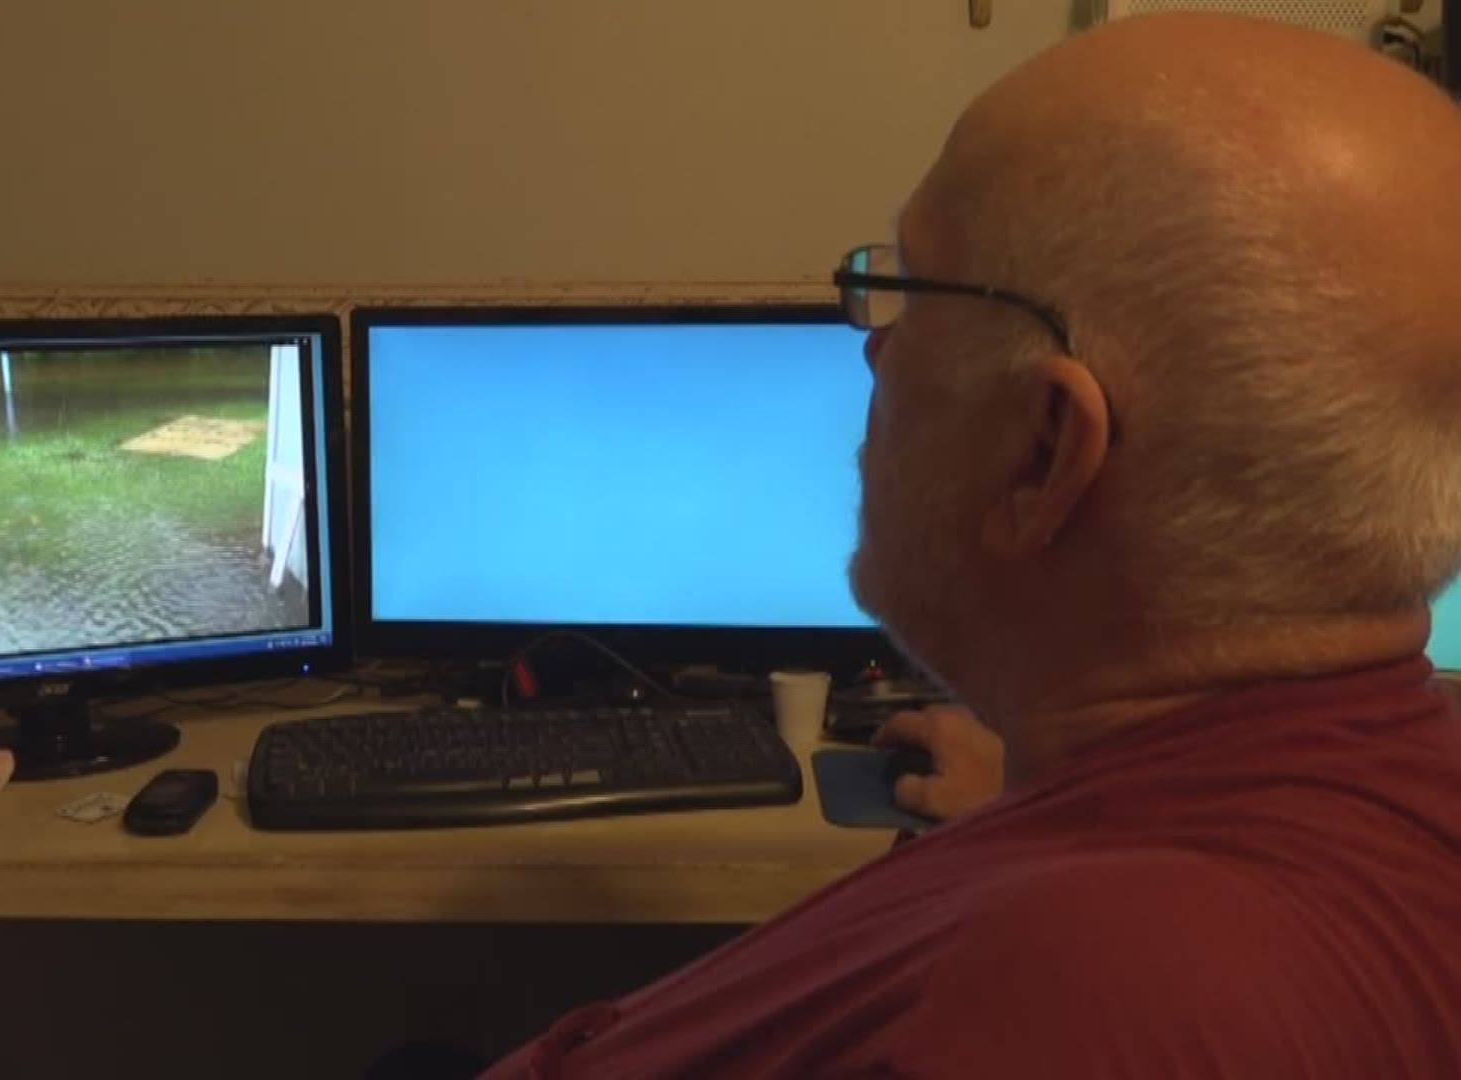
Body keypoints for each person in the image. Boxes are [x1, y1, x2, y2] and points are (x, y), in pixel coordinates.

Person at [482, 12, 1461, 1078]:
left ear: (1044, 453)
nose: (877, 346)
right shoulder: (1345, 812)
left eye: (913, 289)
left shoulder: (1085, 989)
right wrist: (1033, 787)